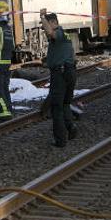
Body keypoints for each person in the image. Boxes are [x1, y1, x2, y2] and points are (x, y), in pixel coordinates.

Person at [40, 10, 77, 147]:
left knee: (56, 107)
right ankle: (71, 129)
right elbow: (72, 56)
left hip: (60, 74)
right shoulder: (65, 36)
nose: (44, 28)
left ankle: (60, 140)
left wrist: (42, 17)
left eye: (46, 25)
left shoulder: (59, 33)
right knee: (65, 104)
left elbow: (50, 33)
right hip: (70, 72)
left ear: (54, 22)